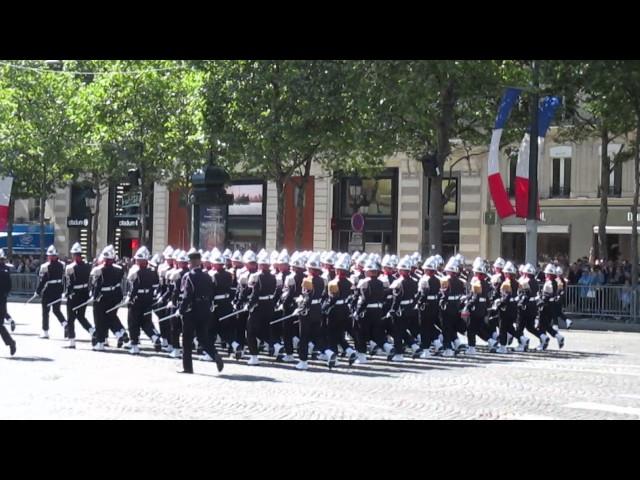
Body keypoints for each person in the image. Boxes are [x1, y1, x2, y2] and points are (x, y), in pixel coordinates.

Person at [178, 248, 223, 374]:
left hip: (191, 311)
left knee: (187, 340)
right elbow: (212, 292)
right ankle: (215, 355)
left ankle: (187, 367)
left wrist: (181, 310)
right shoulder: (207, 276)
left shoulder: (189, 276)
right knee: (203, 338)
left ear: (191, 262)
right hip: (205, 310)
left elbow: (187, 296)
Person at [64, 243, 95, 348]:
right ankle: (92, 331)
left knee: (71, 318)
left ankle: (72, 340)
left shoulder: (70, 267)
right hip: (84, 293)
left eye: (73, 254)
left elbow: (69, 283)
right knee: (81, 316)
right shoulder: (87, 266)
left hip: (74, 294)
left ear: (75, 255)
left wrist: (67, 293)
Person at [35, 245, 66, 339]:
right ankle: (65, 324)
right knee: (56, 310)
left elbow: (42, 280)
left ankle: (45, 331)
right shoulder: (63, 265)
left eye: (50, 255)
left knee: (45, 311)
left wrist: (38, 291)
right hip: (58, 290)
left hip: (48, 290)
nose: (49, 257)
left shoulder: (45, 266)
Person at [0, 249, 16, 356]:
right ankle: (10, 342)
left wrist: (5, 294)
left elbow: (8, 286)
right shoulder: (5, 269)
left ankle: (11, 342)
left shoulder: (5, 270)